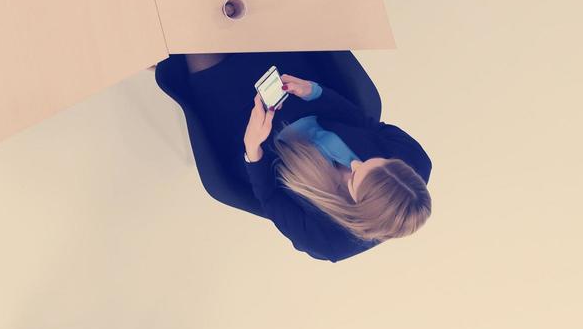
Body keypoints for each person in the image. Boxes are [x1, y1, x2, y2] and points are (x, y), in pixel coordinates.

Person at [184, 52, 431, 262]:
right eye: (372, 161)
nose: (355, 162)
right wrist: (314, 92)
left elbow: (269, 199)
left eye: (354, 176)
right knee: (255, 25)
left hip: (260, 147)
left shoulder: (329, 241)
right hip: (305, 106)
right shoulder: (413, 158)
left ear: (356, 206)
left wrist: (253, 147)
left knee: (207, 64)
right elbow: (365, 123)